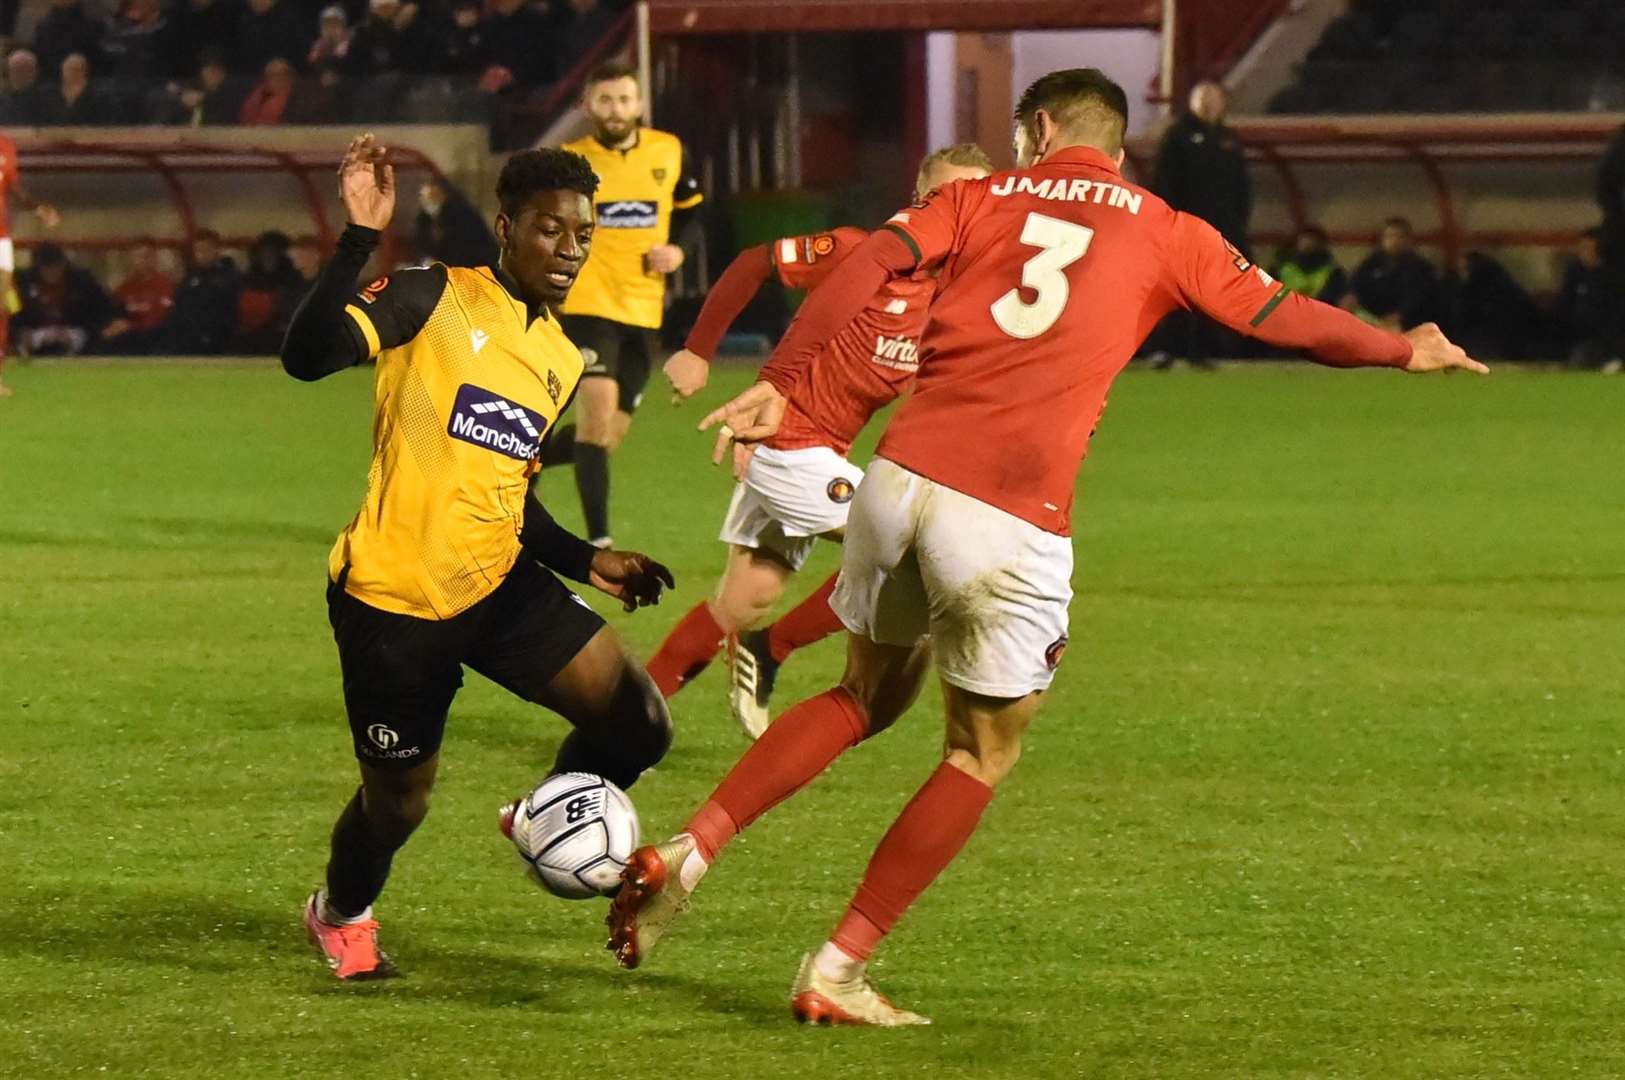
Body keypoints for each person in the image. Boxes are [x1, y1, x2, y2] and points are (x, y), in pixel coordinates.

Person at [607, 67, 1486, 1026]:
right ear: (1114, 148)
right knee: (978, 753)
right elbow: (1284, 320)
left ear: (1037, 129)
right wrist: (1405, 347)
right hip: (1006, 516)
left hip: (895, 484)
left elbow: (864, 266)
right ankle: (838, 969)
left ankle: (690, 848)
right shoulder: (1164, 226)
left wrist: (782, 375)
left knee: (864, 694)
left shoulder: (975, 197)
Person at [283, 134, 676, 981]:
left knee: (636, 723)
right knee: (398, 806)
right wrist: (358, 239)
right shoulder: (431, 296)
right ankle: (340, 913)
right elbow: (306, 357)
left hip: (498, 587)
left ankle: (541, 817)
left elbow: (506, 488)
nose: (568, 251)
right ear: (505, 227)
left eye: (581, 235)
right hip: (393, 603)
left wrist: (585, 561)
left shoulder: (559, 357)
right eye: (548, 230)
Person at [646, 144, 993, 737]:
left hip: (818, 454)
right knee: (914, 553)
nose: (956, 212)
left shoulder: (954, 297)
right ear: (918, 201)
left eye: (972, 200)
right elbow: (756, 261)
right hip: (784, 445)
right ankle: (771, 648)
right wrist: (698, 350)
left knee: (741, 602)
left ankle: (627, 712)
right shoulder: (865, 253)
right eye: (943, 196)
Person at [544, 61, 704, 547]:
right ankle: (599, 542)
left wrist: (678, 251)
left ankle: (513, 459)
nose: (616, 110)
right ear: (588, 105)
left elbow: (694, 220)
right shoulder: (569, 163)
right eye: (606, 100)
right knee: (596, 415)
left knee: (606, 436)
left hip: (643, 310)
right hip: (588, 304)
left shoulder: (669, 151)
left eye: (624, 100)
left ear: (639, 104)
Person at [1150, 80, 1252, 369]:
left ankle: (1201, 349)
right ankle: (1167, 348)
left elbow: (1242, 187)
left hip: (1220, 232)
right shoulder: (1177, 136)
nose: (1209, 103)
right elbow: (1164, 182)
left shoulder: (1229, 139)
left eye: (1214, 98)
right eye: (1203, 98)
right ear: (1192, 102)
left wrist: (1236, 225)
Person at [0, 131, 62, 396]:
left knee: (1, 304)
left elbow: (11, 185)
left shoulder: (4, 145)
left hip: (0, 236)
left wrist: (37, 207)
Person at [13, 242, 114, 356]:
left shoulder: (82, 281)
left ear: (63, 265)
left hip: (74, 333)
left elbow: (102, 309)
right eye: (46, 269)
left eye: (56, 267)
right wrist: (20, 333)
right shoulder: (22, 283)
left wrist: (87, 332)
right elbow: (13, 314)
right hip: (35, 333)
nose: (52, 273)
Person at [1555, 227, 1624, 371]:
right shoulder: (1575, 273)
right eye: (1580, 247)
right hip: (1577, 338)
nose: (1581, 252)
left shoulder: (1614, 278)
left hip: (1607, 341)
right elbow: (1564, 307)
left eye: (1586, 248)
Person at [1351, 217, 1438, 330]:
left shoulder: (1421, 268)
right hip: (1373, 322)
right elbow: (1357, 286)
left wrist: (1400, 314)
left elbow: (1421, 297)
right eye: (1390, 236)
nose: (1394, 241)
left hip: (1408, 326)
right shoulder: (1371, 264)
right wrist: (1352, 297)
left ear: (1409, 240)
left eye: (1399, 236)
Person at [163, 228, 239, 354]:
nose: (202, 254)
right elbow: (179, 305)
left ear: (217, 250)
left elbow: (225, 310)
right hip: (185, 334)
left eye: (206, 250)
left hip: (216, 335)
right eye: (198, 250)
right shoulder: (190, 277)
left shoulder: (228, 277)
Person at [101, 238, 175, 354]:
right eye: (138, 256)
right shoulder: (126, 287)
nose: (142, 260)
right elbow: (113, 310)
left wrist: (130, 326)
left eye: (146, 256)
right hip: (127, 338)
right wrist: (111, 326)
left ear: (154, 258)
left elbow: (160, 318)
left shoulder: (164, 285)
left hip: (153, 338)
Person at [414, 177, 498, 267]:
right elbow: (421, 245)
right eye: (423, 197)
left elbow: (468, 247)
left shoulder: (462, 215)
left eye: (433, 196)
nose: (428, 201)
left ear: (443, 195)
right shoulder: (423, 219)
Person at [1273, 225, 1351, 306]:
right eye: (1304, 240)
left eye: (1312, 241)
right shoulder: (1281, 270)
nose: (1307, 244)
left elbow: (1345, 300)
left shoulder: (1333, 273)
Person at [238, 56, 295, 125]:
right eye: (271, 75)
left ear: (288, 77)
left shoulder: (294, 98)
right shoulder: (256, 95)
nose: (275, 79)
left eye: (280, 75)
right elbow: (244, 117)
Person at [1, 48, 45, 124]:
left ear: (35, 72)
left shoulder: (46, 97)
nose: (19, 75)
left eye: (24, 70)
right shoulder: (3, 99)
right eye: (15, 70)